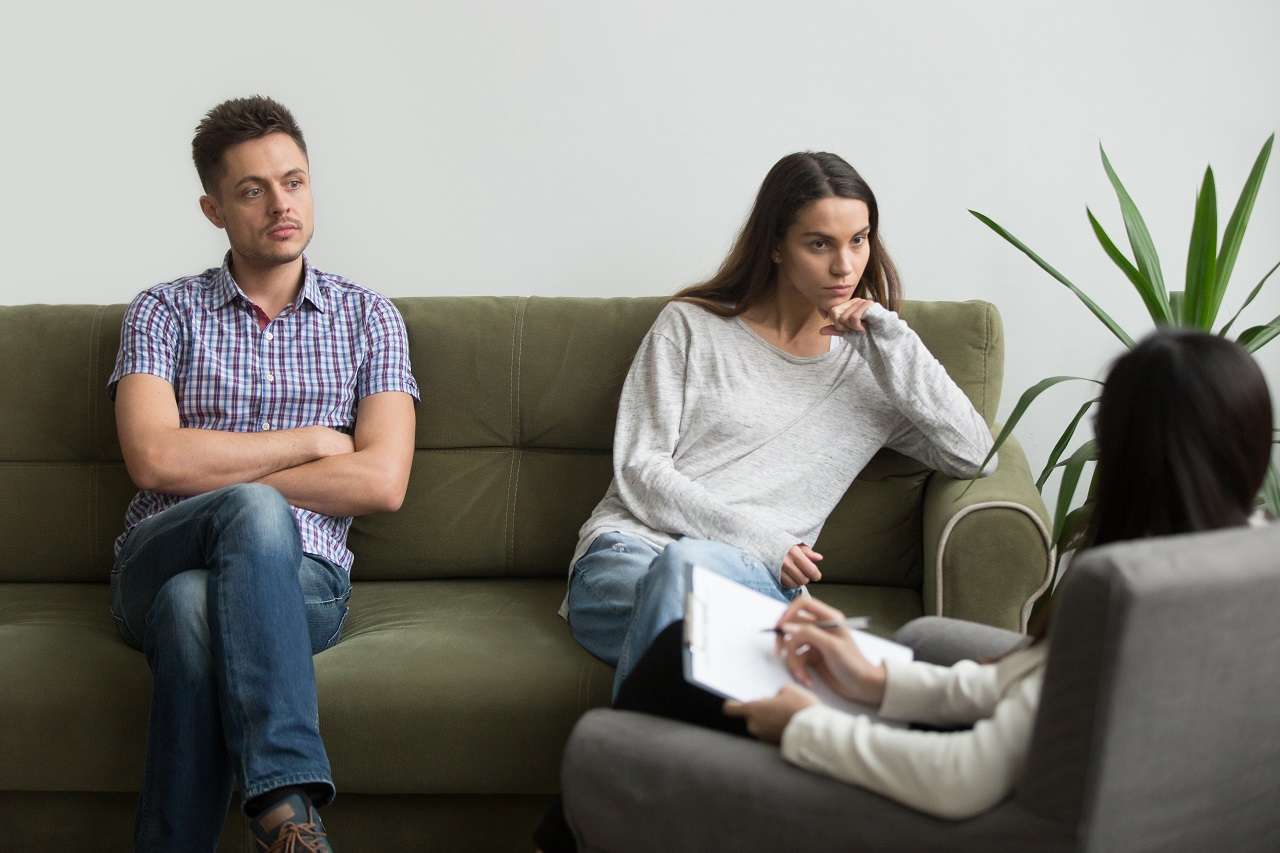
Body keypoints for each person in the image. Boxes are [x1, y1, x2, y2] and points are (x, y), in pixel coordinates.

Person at [535, 327, 1274, 850]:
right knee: (692, 632)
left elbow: (962, 778)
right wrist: (883, 676)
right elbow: (1031, 695)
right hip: (1063, 798)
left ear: (1126, 453)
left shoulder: (1116, 587)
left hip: (974, 816)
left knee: (621, 730)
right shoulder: (1231, 572)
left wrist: (802, 724)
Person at [562, 151, 997, 699]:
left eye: (858, 240)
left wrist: (893, 338)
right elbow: (640, 468)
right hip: (629, 557)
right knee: (684, 575)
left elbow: (978, 455)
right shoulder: (691, 326)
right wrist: (761, 541)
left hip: (750, 583)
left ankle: (643, 774)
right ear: (774, 246)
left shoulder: (878, 370)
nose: (844, 266)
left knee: (690, 610)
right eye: (820, 244)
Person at [107, 96, 419, 853]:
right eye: (253, 190)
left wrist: (223, 475)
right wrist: (311, 441)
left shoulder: (369, 318)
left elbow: (382, 480)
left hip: (304, 579)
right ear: (214, 208)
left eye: (294, 181)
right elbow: (153, 458)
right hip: (160, 551)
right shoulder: (162, 312)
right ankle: (285, 806)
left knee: (192, 608)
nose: (281, 204)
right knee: (225, 534)